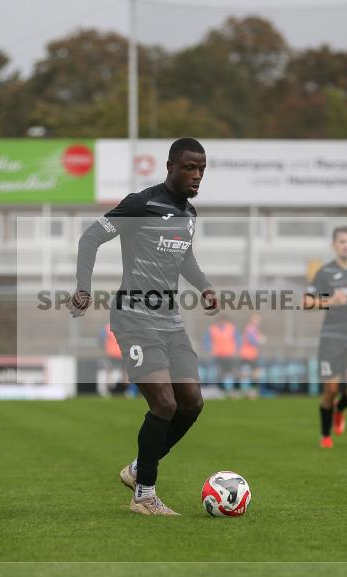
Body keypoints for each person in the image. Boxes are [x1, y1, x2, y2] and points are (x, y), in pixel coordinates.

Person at [71, 137, 217, 516]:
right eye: (189, 167)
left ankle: (138, 469)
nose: (197, 175)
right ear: (170, 166)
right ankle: (144, 496)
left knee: (191, 403)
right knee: (164, 403)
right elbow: (91, 237)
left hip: (170, 320)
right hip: (134, 316)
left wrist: (205, 288)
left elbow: (185, 259)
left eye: (201, 168)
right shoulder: (141, 203)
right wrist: (83, 289)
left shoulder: (189, 215)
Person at [303, 226, 347, 448]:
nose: (346, 245)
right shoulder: (325, 272)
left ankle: (339, 410)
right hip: (332, 337)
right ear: (334, 245)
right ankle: (325, 435)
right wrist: (331, 301)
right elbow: (306, 302)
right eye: (342, 242)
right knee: (331, 389)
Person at [203, 316, 240, 393]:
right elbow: (206, 340)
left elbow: (238, 340)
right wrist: (209, 349)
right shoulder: (212, 329)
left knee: (228, 373)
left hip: (229, 355)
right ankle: (212, 388)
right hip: (216, 355)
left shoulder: (232, 328)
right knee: (213, 371)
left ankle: (228, 389)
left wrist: (236, 350)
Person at [239, 314, 266, 396]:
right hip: (248, 355)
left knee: (251, 373)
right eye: (256, 319)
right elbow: (250, 339)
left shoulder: (253, 328)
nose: (258, 321)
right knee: (250, 373)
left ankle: (250, 391)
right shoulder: (251, 328)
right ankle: (249, 391)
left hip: (251, 354)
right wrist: (259, 340)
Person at [97, 322, 125, 397]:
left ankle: (108, 391)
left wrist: (104, 348)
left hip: (111, 353)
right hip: (122, 353)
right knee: (124, 372)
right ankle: (126, 391)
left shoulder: (107, 327)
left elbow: (100, 340)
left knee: (109, 372)